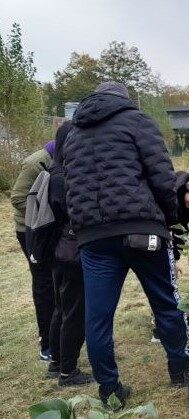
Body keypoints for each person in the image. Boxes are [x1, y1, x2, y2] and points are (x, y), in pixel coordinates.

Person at [62, 82, 189, 406]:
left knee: (98, 317)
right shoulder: (137, 120)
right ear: (124, 100)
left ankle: (109, 389)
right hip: (141, 229)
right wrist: (169, 216)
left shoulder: (73, 134)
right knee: (166, 302)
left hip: (93, 238)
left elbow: (68, 186)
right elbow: (162, 175)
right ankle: (180, 369)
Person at [46, 121, 93, 386]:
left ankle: (56, 362)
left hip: (57, 250)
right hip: (71, 250)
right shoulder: (66, 177)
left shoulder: (52, 173)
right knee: (74, 310)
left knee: (61, 308)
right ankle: (68, 370)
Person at [150, 170, 189, 343]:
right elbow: (164, 227)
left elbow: (180, 231)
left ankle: (163, 322)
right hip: (153, 239)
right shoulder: (169, 197)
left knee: (167, 281)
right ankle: (159, 329)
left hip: (167, 242)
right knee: (161, 284)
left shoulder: (187, 207)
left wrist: (174, 260)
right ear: (186, 190)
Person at [10, 140, 55, 361]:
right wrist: (45, 209)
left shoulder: (60, 158)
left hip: (49, 228)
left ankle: (57, 336)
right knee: (44, 282)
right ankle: (46, 343)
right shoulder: (36, 162)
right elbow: (18, 197)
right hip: (30, 230)